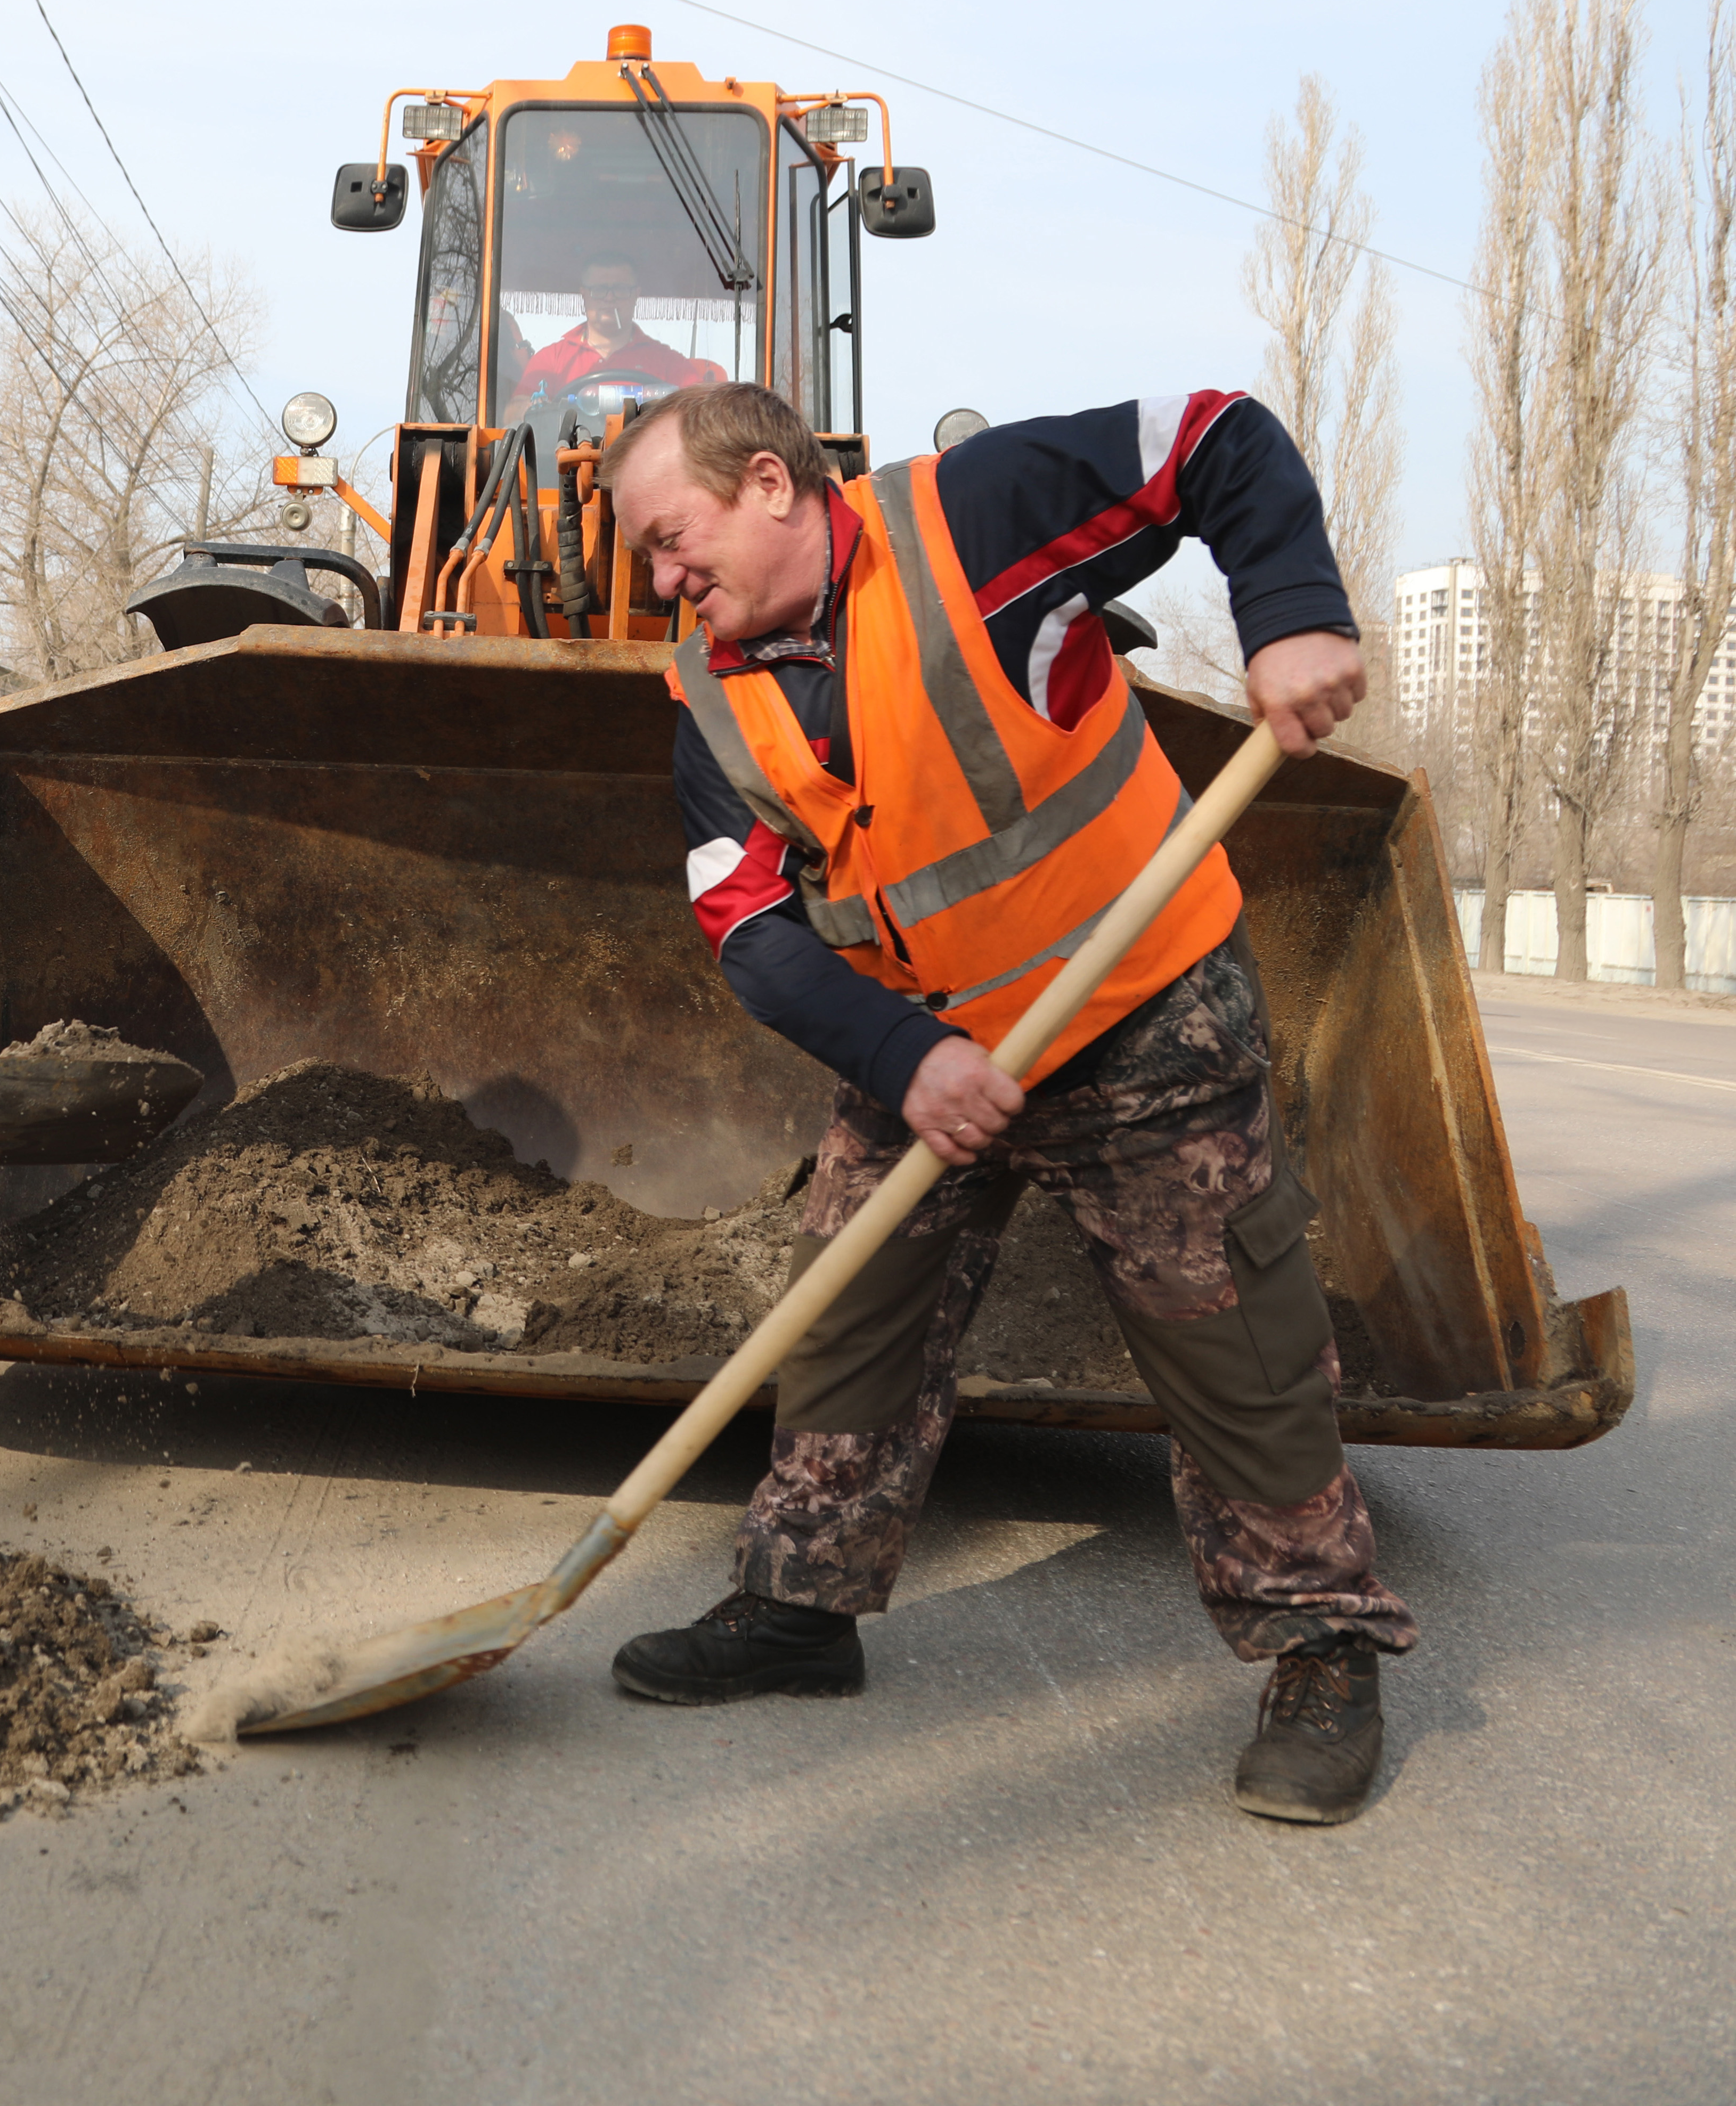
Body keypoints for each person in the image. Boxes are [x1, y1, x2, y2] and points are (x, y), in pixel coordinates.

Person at [603, 380, 1415, 1826]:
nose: (659, 580)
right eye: (648, 558)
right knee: (850, 1310)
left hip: (1140, 1019)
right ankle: (798, 1610)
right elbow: (743, 924)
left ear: (772, 487)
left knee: (1233, 1343)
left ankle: (1320, 1648)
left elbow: (1210, 437)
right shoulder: (708, 694)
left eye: (671, 539)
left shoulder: (969, 524)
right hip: (927, 1048)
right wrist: (901, 1059)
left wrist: (1289, 609)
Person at [512, 255, 727, 407]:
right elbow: (515, 411)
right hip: (566, 470)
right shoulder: (553, 360)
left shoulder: (667, 362)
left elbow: (703, 410)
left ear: (636, 295)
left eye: (621, 289)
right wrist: (540, 409)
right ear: (584, 295)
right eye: (599, 290)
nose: (609, 298)